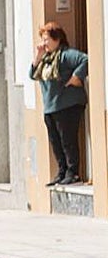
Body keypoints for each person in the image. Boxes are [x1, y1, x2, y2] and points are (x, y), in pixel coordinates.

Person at [30, 22, 89, 185]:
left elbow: (85, 60)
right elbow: (32, 74)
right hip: (50, 107)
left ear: (57, 39)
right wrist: (37, 57)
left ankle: (73, 172)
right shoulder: (45, 59)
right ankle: (62, 171)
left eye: (46, 39)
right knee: (56, 142)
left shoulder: (66, 55)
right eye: (42, 39)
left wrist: (77, 77)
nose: (44, 43)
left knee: (67, 140)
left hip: (67, 105)